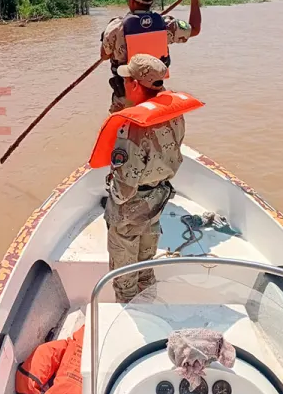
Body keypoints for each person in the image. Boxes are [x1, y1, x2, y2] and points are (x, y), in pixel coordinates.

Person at [87, 54, 204, 303]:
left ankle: (130, 312)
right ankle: (149, 302)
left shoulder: (133, 128)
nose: (125, 84)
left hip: (130, 208)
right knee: (146, 263)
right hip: (158, 199)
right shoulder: (174, 114)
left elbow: (123, 190)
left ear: (136, 85)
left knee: (124, 273)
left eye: (128, 79)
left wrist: (112, 196)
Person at [100, 0, 203, 113]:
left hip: (127, 97)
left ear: (131, 1)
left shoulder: (116, 27)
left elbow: (104, 55)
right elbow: (195, 29)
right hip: (155, 94)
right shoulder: (166, 25)